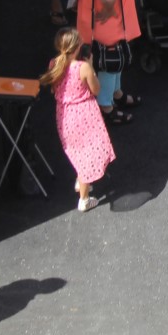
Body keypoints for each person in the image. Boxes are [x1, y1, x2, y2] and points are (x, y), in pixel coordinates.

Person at [74, 0, 141, 126]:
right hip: (110, 27)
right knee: (110, 66)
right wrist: (110, 10)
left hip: (93, 24)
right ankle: (107, 106)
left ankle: (117, 93)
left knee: (112, 65)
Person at [40, 28, 115, 213]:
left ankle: (82, 181)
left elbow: (53, 90)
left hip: (64, 116)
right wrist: (91, 66)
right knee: (89, 153)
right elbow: (96, 89)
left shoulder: (53, 64)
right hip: (85, 116)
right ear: (77, 46)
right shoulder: (83, 67)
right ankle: (84, 199)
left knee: (77, 151)